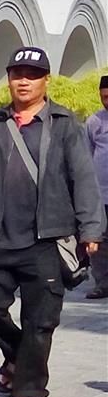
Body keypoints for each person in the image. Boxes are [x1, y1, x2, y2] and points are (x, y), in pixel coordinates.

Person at [0, 47, 104, 397]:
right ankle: (18, 354)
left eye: (32, 74)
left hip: (46, 239)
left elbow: (83, 179)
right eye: (17, 74)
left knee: (40, 320)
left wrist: (91, 229)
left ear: (45, 80)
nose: (23, 81)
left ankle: (30, 388)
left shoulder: (64, 123)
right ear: (8, 79)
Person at [85, 75, 108, 299]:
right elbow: (86, 155)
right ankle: (102, 283)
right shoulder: (94, 122)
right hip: (101, 195)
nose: (106, 101)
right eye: (103, 97)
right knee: (99, 242)